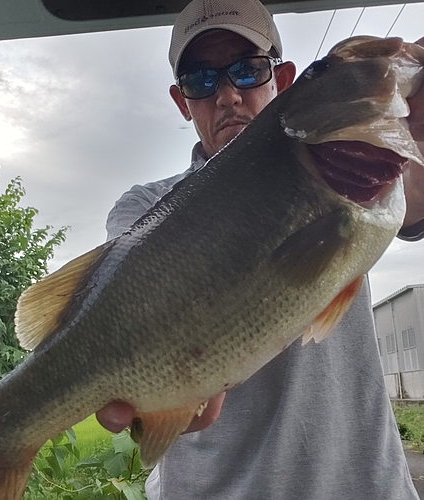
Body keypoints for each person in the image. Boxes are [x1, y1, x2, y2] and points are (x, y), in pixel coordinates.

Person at [97, 0, 424, 498]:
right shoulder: (145, 208)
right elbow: (128, 314)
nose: (227, 95)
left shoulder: (357, 177)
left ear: (283, 78)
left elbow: (412, 193)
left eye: (247, 71)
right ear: (181, 100)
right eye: (201, 81)